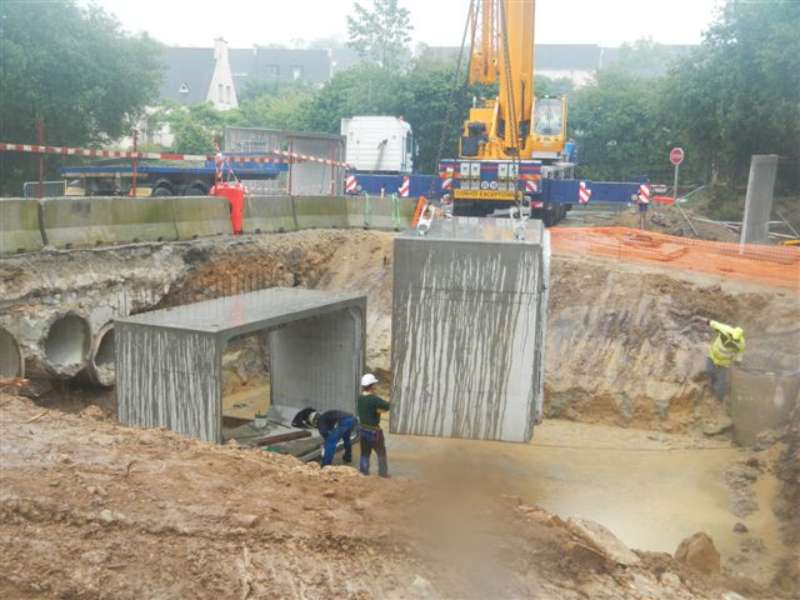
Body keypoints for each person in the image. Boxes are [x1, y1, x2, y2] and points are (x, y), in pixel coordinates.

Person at [698, 318, 745, 401]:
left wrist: (738, 361)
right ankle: (711, 388)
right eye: (732, 337)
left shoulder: (741, 343)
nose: (733, 340)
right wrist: (706, 321)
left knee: (721, 383)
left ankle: (717, 399)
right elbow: (714, 324)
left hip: (724, 364)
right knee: (709, 372)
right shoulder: (725, 329)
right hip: (713, 357)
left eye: (735, 339)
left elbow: (740, 353)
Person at [357, 373, 390, 477]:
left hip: (362, 430)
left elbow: (369, 410)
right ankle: (383, 474)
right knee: (381, 453)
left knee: (365, 453)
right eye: (374, 385)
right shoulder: (374, 399)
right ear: (371, 386)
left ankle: (363, 473)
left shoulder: (360, 398)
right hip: (374, 431)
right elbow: (387, 406)